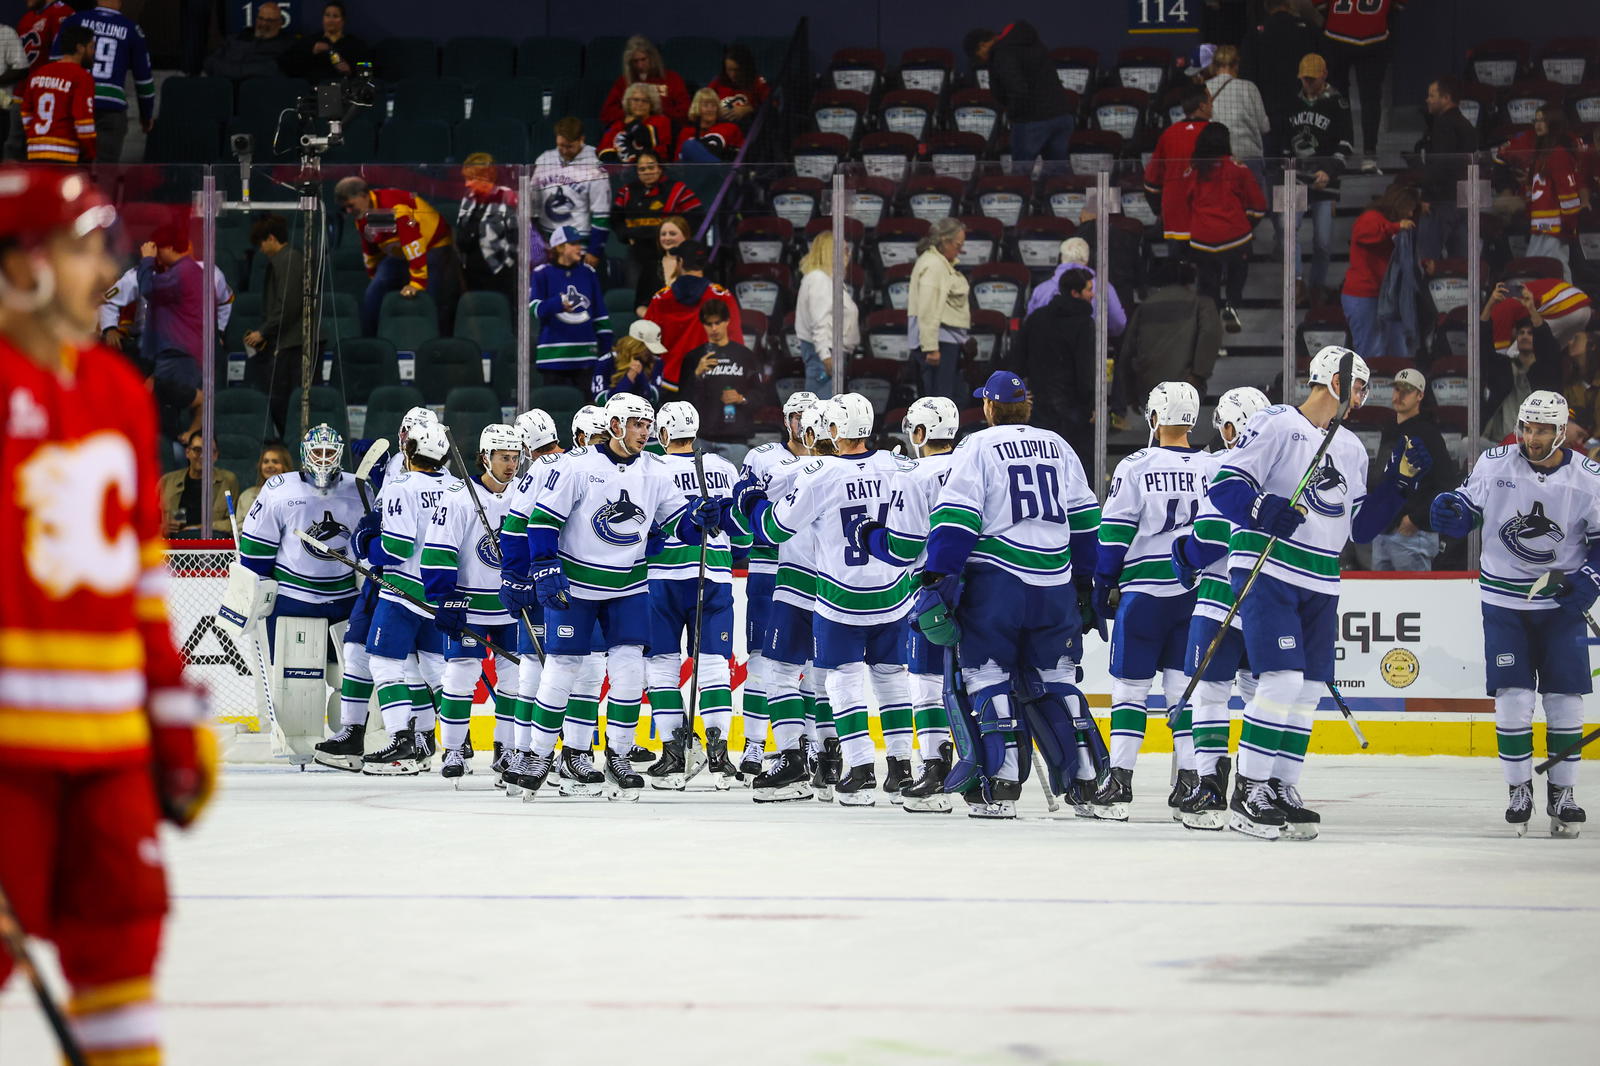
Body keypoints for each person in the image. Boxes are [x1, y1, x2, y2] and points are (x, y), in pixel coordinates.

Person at [0, 164, 213, 1066]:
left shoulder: (121, 397)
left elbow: (142, 592)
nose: (104, 274)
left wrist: (171, 725)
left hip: (108, 753)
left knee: (126, 943)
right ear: (23, 265)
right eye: (87, 250)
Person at [1207, 346, 1429, 839]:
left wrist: (1397, 487)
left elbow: (1360, 529)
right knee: (1282, 680)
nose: (1362, 396)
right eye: (1358, 385)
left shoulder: (1349, 446)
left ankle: (1282, 786)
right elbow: (1225, 487)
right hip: (1268, 568)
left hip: (1321, 576)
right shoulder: (1276, 422)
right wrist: (1264, 509)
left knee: (1307, 690)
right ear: (1334, 380)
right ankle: (1249, 790)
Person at [496, 394, 722, 798]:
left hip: (629, 586)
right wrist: (542, 566)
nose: (645, 431)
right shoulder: (576, 467)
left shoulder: (655, 469)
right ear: (615, 425)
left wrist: (699, 519)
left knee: (630, 673)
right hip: (577, 587)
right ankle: (539, 754)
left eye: (648, 424)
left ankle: (617, 755)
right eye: (636, 423)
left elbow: (676, 525)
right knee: (562, 669)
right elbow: (542, 523)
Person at [908, 369, 1104, 818]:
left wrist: (939, 577)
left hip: (998, 582)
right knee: (1055, 679)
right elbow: (1087, 523)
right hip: (1055, 584)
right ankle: (1089, 781)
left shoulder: (978, 446)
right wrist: (1085, 584)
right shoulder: (1058, 445)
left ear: (990, 408)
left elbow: (957, 518)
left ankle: (1001, 782)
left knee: (985, 676)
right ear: (1026, 406)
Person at [735, 394, 915, 808]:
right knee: (878, 677)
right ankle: (872, 764)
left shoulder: (807, 472)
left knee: (792, 673)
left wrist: (750, 500)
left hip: (811, 585)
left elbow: (770, 529)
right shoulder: (897, 464)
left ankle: (797, 760)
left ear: (826, 430)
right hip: (887, 589)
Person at [1431, 390, 1594, 837]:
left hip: (1559, 605)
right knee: (1514, 698)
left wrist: (1590, 581)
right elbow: (1465, 508)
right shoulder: (1495, 462)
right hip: (1503, 601)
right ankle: (1518, 788)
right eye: (1527, 427)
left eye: (1542, 430)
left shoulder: (1588, 477)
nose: (1531, 437)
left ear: (1561, 431)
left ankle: (1563, 793)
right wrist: (1450, 514)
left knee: (1563, 700)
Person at [1087, 382, 1207, 819]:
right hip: (1194, 595)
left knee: (1130, 690)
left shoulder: (1136, 465)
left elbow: (1115, 533)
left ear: (1154, 417)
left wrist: (1102, 583)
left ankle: (1119, 780)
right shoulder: (1214, 466)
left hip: (1144, 596)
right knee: (1183, 690)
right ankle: (1191, 781)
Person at [850, 396, 961, 811]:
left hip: (934, 590)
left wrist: (869, 534)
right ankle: (989, 773)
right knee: (983, 679)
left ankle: (934, 768)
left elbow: (900, 548)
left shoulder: (915, 476)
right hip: (984, 587)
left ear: (919, 434)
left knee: (927, 684)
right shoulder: (974, 464)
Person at [1169, 386, 1272, 829]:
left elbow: (1207, 538)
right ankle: (1260, 786)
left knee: (1210, 695)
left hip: (1218, 605)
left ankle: (1211, 786)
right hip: (1271, 604)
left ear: (1231, 428)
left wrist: (1182, 556)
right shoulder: (1287, 468)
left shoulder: (1220, 466)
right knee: (1261, 695)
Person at [313, 415, 440, 772]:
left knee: (413, 666)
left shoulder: (436, 480)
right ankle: (352, 733)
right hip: (378, 579)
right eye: (404, 431)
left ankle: (420, 739)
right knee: (355, 650)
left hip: (407, 579)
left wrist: (370, 541)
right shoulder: (395, 466)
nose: (405, 438)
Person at [640, 402, 745, 789]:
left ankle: (673, 752)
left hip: (663, 579)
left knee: (662, 666)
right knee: (715, 665)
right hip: (714, 576)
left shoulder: (651, 468)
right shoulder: (723, 467)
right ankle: (720, 758)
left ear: (663, 434)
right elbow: (741, 531)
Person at [419, 424, 530, 782]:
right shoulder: (458, 497)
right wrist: (445, 597)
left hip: (511, 605)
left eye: (515, 458)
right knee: (460, 675)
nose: (510, 465)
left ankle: (507, 750)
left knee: (515, 679)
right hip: (469, 604)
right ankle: (453, 750)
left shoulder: (524, 496)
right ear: (485, 457)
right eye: (503, 457)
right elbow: (438, 550)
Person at [348, 421, 456, 775]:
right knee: (438, 670)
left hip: (403, 592)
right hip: (442, 593)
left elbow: (395, 549)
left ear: (408, 451)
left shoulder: (401, 486)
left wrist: (366, 545)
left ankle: (402, 743)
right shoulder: (457, 487)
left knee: (383, 664)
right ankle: (459, 746)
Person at [735, 398, 829, 801]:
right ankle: (756, 743)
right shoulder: (762, 457)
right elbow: (742, 517)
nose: (801, 422)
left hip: (816, 571)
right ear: (786, 419)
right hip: (769, 568)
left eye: (809, 417)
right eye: (796, 415)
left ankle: (807, 743)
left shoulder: (834, 461)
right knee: (763, 660)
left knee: (810, 664)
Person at [334, 175, 461, 338]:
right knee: (375, 289)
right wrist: (373, 272)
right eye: (345, 209)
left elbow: (413, 241)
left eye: (350, 206)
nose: (349, 212)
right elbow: (371, 244)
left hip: (435, 245)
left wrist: (417, 282)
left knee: (430, 296)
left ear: (364, 196)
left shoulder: (394, 206)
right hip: (403, 253)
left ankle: (438, 340)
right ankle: (369, 340)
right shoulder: (364, 212)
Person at [1185, 122, 1267, 333]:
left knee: (1208, 284)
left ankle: (1210, 326)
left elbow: (1187, 200)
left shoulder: (1194, 171)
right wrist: (1247, 225)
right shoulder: (1238, 169)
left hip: (1202, 240)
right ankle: (1232, 304)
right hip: (1234, 237)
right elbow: (1258, 205)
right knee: (1237, 271)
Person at [1369, 369, 1454, 572]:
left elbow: (1446, 483)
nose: (1399, 395)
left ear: (1420, 396)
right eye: (1397, 389)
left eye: (1407, 391)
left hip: (1412, 534)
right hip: (1384, 529)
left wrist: (1417, 519)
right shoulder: (1390, 429)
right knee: (1379, 599)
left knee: (1415, 601)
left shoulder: (1429, 434)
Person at [1012, 267, 1098, 469]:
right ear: (1075, 293)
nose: (1093, 294)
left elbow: (1017, 358)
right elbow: (1085, 368)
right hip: (1073, 407)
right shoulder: (1084, 323)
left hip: (1040, 404)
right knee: (1075, 466)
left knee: (1042, 463)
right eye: (1089, 289)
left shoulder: (1037, 318)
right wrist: (1090, 403)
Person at [964, 23, 1077, 174]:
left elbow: (1017, 89)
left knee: (1020, 179)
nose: (984, 60)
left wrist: (1013, 114)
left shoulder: (1001, 53)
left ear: (983, 45)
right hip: (1062, 115)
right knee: (1058, 176)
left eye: (979, 56)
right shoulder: (1031, 42)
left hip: (1032, 120)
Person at [1288, 54, 1354, 307]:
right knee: (1287, 231)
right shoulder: (1292, 102)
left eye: (1311, 79)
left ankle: (1317, 286)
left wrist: (1329, 171)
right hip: (1295, 178)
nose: (1307, 84)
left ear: (1324, 75)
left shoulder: (1338, 103)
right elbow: (1284, 140)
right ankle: (1296, 282)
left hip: (1326, 180)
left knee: (1323, 241)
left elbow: (1347, 143)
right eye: (1304, 79)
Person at [56, 0, 153, 164]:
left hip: (75, 103)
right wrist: (146, 115)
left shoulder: (75, 20)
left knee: (70, 170)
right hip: (111, 106)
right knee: (104, 173)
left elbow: (56, 63)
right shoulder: (132, 29)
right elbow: (143, 79)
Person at [644, 239, 742, 395]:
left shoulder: (661, 299)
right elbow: (736, 343)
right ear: (703, 264)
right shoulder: (723, 296)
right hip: (711, 382)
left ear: (680, 261)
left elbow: (647, 344)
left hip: (669, 382)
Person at [1119, 259, 1222, 407]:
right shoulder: (1202, 304)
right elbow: (1210, 334)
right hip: (1186, 386)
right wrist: (1198, 375)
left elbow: (1127, 351)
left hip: (1147, 387)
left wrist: (1130, 395)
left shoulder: (1144, 307)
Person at [138, 225, 207, 440]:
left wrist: (147, 260)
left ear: (166, 248)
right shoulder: (184, 271)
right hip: (176, 352)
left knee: (168, 407)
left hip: (178, 354)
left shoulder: (184, 271)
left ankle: (183, 449)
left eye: (156, 250)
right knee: (167, 410)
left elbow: (148, 289)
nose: (156, 256)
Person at [1205, 45, 1276, 251]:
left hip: (1220, 159)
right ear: (1236, 65)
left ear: (1215, 65)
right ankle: (1242, 246)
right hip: (1249, 156)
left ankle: (1230, 249)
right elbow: (1265, 126)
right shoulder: (1249, 88)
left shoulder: (1206, 89)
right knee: (1252, 208)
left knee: (1224, 209)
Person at [1497, 109, 1582, 281]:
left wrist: (1569, 223)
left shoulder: (1558, 153)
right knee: (1546, 267)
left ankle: (1571, 305)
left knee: (1553, 267)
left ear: (1554, 123)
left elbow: (1567, 192)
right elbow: (1537, 191)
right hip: (1541, 224)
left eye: (1543, 120)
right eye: (1536, 120)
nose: (1538, 124)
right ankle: (1564, 304)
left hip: (1555, 225)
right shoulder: (1542, 153)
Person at [1315, 0, 1401, 170]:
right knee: (1369, 99)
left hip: (1337, 34)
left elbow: (1320, 5)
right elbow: (1397, 7)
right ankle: (1368, 153)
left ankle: (1343, 147)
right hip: (1374, 37)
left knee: (1339, 97)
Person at [242, 214, 307, 435]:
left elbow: (287, 305)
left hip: (293, 343)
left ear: (271, 238)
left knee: (284, 399)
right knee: (279, 398)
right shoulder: (285, 259)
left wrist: (264, 332)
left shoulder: (288, 259)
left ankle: (289, 443)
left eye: (261, 243)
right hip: (286, 341)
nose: (260, 249)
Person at [1341, 181, 1419, 360]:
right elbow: (1364, 234)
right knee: (1371, 351)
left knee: (1397, 350)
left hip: (1385, 297)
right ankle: (1369, 388)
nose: (1410, 214)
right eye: (1409, 208)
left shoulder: (1386, 222)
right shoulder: (1371, 217)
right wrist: (1396, 227)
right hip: (1363, 296)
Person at [529, 223, 612, 393]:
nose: (579, 248)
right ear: (560, 247)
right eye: (573, 244)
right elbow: (535, 309)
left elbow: (600, 314)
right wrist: (557, 304)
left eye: (580, 243)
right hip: (553, 357)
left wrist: (606, 348)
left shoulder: (588, 273)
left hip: (586, 357)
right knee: (555, 412)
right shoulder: (541, 273)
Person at [1483, 282, 1562, 442]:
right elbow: (1481, 348)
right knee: (1465, 444)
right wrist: (1490, 304)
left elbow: (1549, 350)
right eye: (1521, 333)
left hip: (1535, 443)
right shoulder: (1503, 366)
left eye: (1530, 333)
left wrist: (1531, 308)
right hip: (1498, 443)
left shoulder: (1545, 371)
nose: (1525, 336)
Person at [613, 153, 701, 290]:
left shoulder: (677, 189)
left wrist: (681, 237)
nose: (647, 172)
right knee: (637, 292)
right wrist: (625, 235)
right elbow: (615, 218)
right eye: (642, 169)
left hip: (670, 251)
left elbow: (696, 215)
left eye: (651, 167)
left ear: (660, 168)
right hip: (638, 252)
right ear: (637, 172)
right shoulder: (626, 191)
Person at [1240, 0, 1317, 159]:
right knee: (1298, 155)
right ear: (1289, 5)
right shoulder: (1308, 28)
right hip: (1302, 106)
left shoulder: (1255, 33)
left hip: (1268, 106)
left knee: (1272, 158)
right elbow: (1323, 63)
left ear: (1267, 7)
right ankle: (1296, 179)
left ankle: (1275, 178)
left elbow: (1246, 74)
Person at [532, 116, 610, 270]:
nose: (565, 151)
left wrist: (595, 250)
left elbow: (602, 213)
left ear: (581, 139)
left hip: (580, 246)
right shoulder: (545, 158)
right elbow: (532, 198)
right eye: (561, 145)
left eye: (570, 146)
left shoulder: (594, 162)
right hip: (549, 245)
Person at [907, 216, 970, 405]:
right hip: (938, 343)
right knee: (939, 404)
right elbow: (928, 309)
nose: (961, 250)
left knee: (942, 400)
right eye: (958, 245)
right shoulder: (934, 265)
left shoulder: (937, 262)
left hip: (942, 340)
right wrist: (931, 347)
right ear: (945, 241)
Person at [1143, 85, 1212, 256]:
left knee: (1179, 269)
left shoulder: (1169, 134)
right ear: (1202, 106)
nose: (1213, 106)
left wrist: (1159, 210)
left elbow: (1152, 180)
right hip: (1208, 213)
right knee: (1209, 272)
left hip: (1175, 214)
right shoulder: (1216, 133)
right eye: (1210, 102)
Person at [685, 297, 762, 446]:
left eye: (717, 322)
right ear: (703, 325)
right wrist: (696, 375)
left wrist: (741, 398)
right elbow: (683, 399)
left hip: (735, 438)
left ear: (727, 321)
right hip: (701, 437)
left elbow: (760, 395)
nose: (713, 328)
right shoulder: (693, 357)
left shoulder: (745, 355)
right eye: (709, 324)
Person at [1417, 75, 1477, 263]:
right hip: (1464, 200)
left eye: (1432, 95)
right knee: (1461, 262)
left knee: (1427, 259)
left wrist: (1426, 195)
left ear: (1446, 98)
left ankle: (1427, 293)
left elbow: (1440, 163)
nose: (1428, 100)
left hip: (1442, 201)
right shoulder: (1466, 124)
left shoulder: (1443, 124)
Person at [794, 229, 859, 398]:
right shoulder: (818, 279)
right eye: (845, 250)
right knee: (821, 412)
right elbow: (819, 321)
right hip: (825, 354)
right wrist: (826, 356)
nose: (848, 254)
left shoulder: (826, 279)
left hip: (830, 352)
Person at [20, 22, 94, 164]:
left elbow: (25, 112)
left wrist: (33, 136)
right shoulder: (81, 77)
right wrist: (90, 153)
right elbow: (83, 121)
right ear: (80, 48)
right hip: (65, 153)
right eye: (91, 47)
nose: (93, 52)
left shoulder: (38, 73)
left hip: (35, 151)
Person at [455, 153, 519, 313]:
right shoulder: (468, 198)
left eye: (470, 179)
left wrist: (507, 264)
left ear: (485, 177)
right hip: (470, 272)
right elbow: (461, 228)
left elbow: (518, 238)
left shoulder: (507, 197)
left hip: (498, 273)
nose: (466, 184)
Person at [1026, 236, 1126, 334]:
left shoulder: (1041, 290)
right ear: (1087, 260)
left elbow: (1030, 325)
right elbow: (1118, 323)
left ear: (1061, 258)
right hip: (1089, 346)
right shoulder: (1104, 287)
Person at [160, 429, 241, 537]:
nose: (203, 456)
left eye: (208, 451)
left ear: (216, 455)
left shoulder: (228, 481)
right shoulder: (167, 481)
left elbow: (234, 523)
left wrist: (200, 528)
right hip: (175, 545)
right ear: (187, 452)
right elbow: (147, 520)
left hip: (212, 546)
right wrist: (163, 527)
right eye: (197, 450)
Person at [600, 34, 689, 127]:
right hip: (630, 128)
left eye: (643, 60)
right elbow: (607, 114)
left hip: (663, 128)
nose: (640, 65)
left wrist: (655, 112)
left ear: (652, 57)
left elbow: (685, 112)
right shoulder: (623, 82)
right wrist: (633, 114)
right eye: (635, 61)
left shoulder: (671, 78)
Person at [280, 0, 371, 84]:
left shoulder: (354, 44)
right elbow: (289, 66)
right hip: (315, 89)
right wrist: (311, 52)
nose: (330, 20)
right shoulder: (310, 41)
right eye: (327, 15)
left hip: (344, 90)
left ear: (343, 20)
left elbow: (366, 69)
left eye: (335, 16)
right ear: (323, 18)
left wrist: (350, 70)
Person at [204, 0, 294, 81]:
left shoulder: (286, 45)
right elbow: (210, 63)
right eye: (261, 18)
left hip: (260, 92)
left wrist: (229, 69)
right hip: (223, 87)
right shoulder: (235, 39)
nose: (263, 24)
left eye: (269, 20)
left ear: (279, 23)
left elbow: (272, 70)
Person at [598, 82, 672, 165]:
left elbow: (646, 139)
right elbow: (604, 153)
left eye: (645, 101)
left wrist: (632, 123)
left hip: (651, 170)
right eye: (636, 100)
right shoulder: (617, 125)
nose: (640, 104)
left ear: (652, 104)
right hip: (621, 173)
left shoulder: (661, 121)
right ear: (628, 103)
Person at [632, 213, 689, 318]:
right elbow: (639, 305)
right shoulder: (650, 267)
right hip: (657, 327)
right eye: (663, 234)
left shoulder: (697, 266)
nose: (667, 238)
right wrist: (652, 316)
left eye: (672, 233)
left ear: (685, 236)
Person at [591, 329, 661, 406]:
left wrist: (640, 375)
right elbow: (602, 402)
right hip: (611, 414)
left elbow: (653, 399)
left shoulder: (656, 362)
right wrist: (629, 377)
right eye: (647, 349)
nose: (651, 352)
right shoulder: (605, 362)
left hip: (644, 413)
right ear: (636, 349)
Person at [675, 86, 743, 163]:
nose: (710, 109)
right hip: (694, 173)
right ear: (697, 108)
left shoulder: (730, 128)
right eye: (706, 105)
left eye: (713, 105)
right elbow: (678, 163)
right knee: (689, 145)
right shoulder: (686, 132)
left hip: (724, 172)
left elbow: (741, 156)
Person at [709, 44, 768, 124]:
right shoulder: (718, 82)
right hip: (719, 129)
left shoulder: (757, 83)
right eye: (729, 70)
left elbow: (772, 107)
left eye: (737, 70)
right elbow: (700, 103)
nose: (733, 75)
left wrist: (749, 109)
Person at [235, 440, 293, 515]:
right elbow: (239, 525)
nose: (269, 466)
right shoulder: (247, 496)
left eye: (275, 462)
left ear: (285, 466)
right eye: (265, 462)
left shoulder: (294, 496)